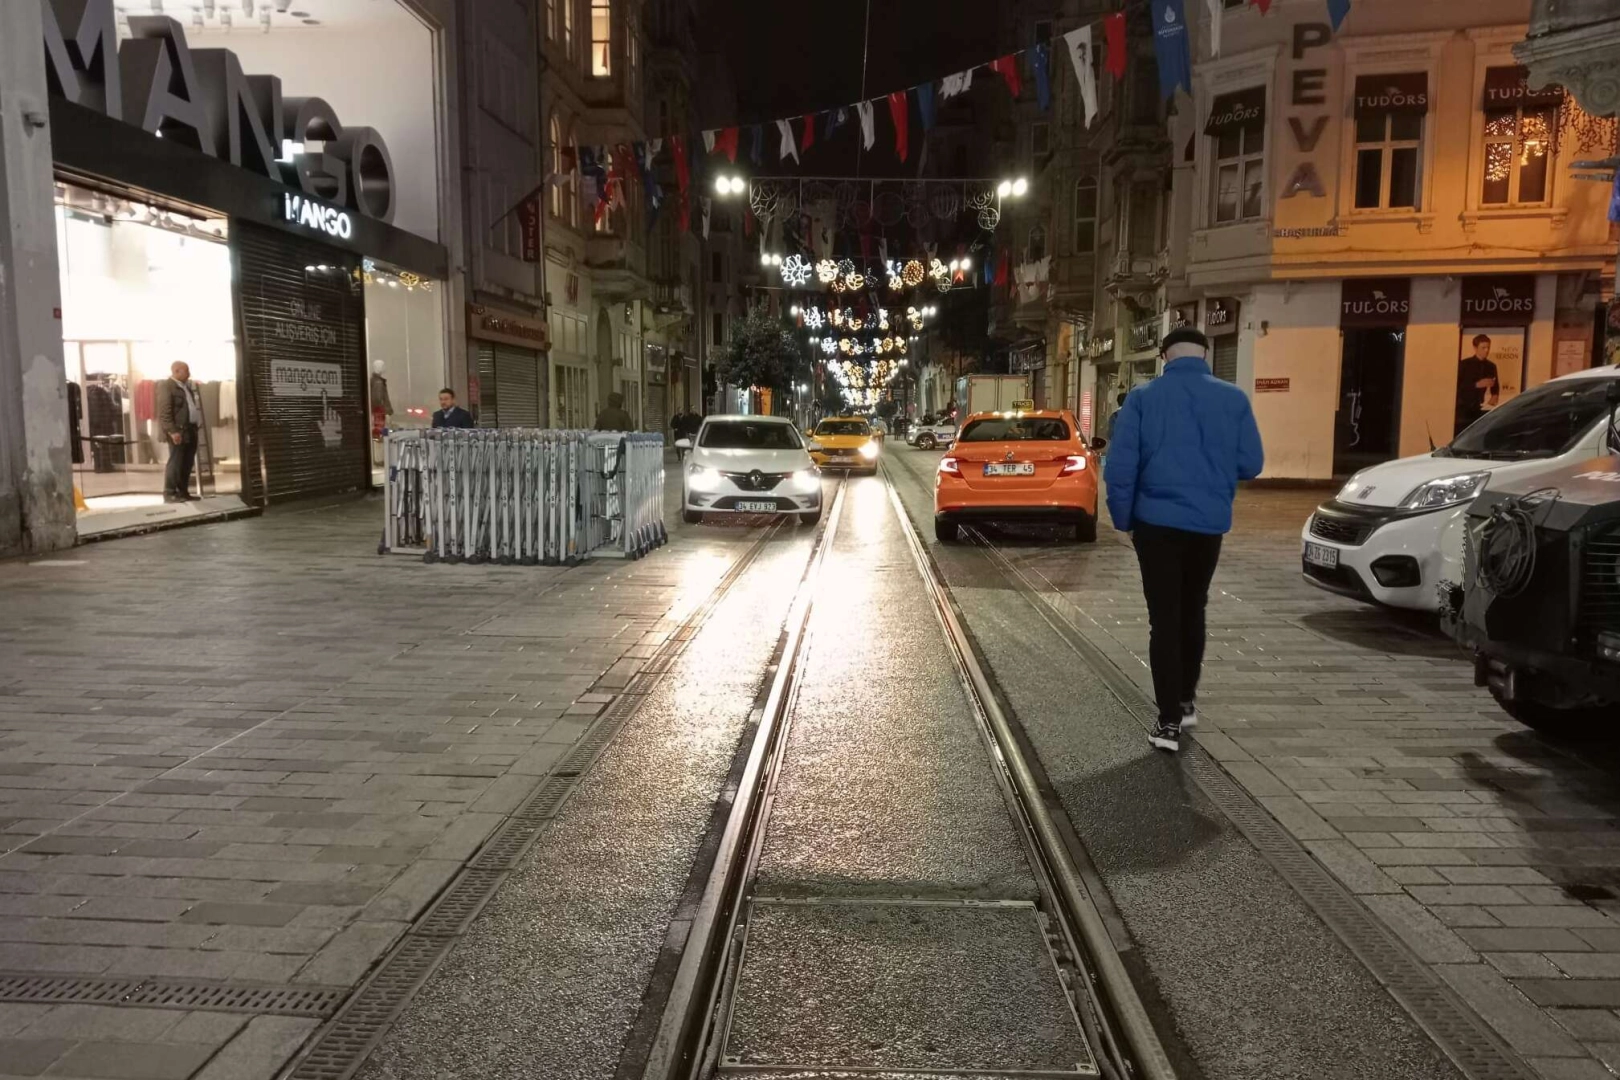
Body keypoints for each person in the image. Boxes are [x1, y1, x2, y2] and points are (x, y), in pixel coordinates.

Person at [1104, 328, 1264, 753]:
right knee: (1194, 608)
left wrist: (1125, 520)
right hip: (1208, 524)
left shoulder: (1142, 399)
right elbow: (1251, 463)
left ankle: (1168, 722)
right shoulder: (1233, 399)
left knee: (1165, 618)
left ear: (1164, 356)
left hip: (1155, 524)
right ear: (1206, 355)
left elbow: (1121, 467)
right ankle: (1187, 700)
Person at [156, 361, 204, 502]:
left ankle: (183, 492)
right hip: (178, 431)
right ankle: (170, 492)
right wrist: (172, 431)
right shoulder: (166, 386)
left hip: (190, 429)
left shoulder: (185, 386)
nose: (189, 373)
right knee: (176, 461)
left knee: (187, 462)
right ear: (176, 371)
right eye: (186, 370)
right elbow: (165, 412)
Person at [1455, 334, 1501, 435]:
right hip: (1464, 409)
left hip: (1483, 408)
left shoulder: (1491, 366)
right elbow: (1457, 387)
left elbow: (1496, 385)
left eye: (1488, 347)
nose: (1486, 350)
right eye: (1483, 347)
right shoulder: (1464, 364)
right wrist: (1476, 385)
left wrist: (1495, 395)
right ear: (1475, 348)